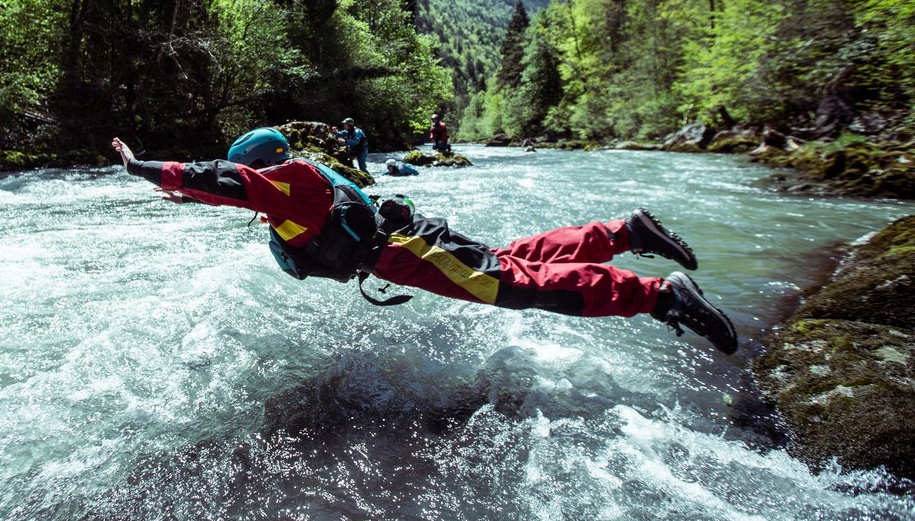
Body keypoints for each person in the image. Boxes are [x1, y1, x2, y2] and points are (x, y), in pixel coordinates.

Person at [110, 127, 739, 355]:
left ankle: (658, 297)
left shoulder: (281, 186)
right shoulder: (302, 181)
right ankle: (624, 233)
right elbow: (227, 191)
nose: (250, 190)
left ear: (263, 166)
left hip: (401, 252)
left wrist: (148, 170)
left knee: (514, 287)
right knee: (510, 261)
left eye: (251, 176)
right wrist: (170, 190)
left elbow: (225, 181)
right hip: (407, 239)